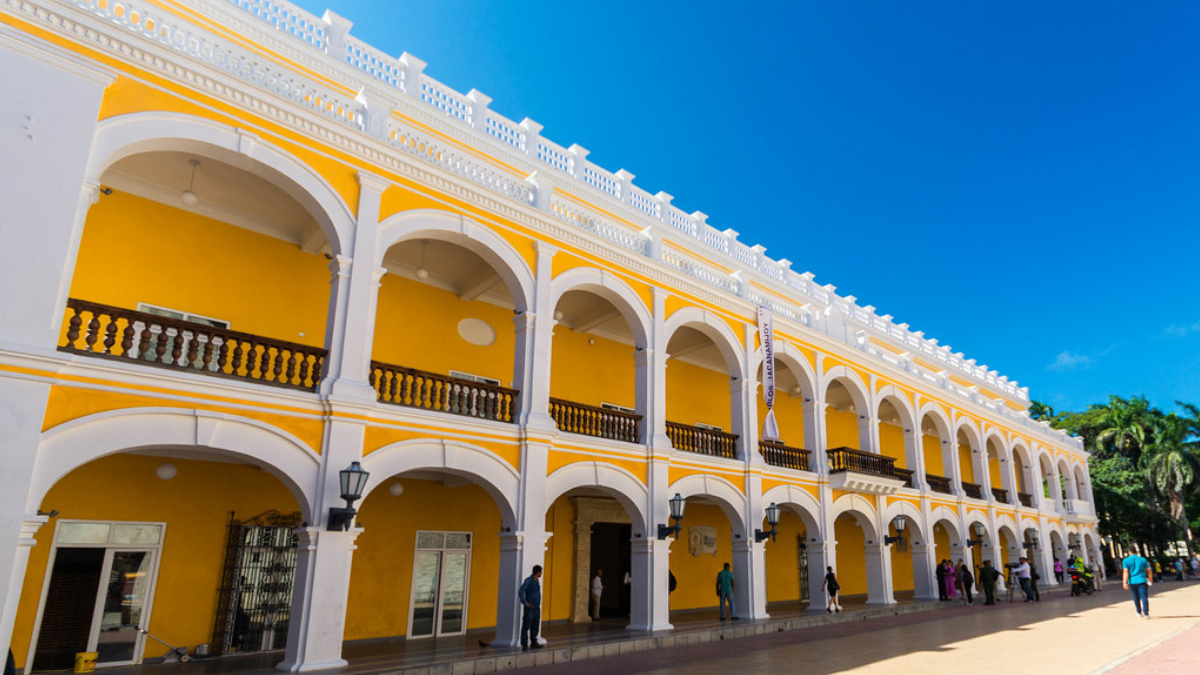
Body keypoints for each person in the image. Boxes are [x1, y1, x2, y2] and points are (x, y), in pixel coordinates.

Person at [518, 565, 544, 651]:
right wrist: (525, 603)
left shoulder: (537, 581)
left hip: (537, 608)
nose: (541, 574)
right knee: (526, 625)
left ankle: (534, 642)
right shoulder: (528, 581)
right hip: (530, 608)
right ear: (538, 572)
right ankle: (524, 644)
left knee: (535, 626)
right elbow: (521, 591)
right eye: (541, 572)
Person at [1122, 551, 1152, 618]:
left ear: (1129, 552)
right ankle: (1146, 613)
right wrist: (1150, 578)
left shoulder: (1126, 560)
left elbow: (1125, 571)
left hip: (1132, 581)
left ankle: (1138, 611)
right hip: (1142, 580)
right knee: (1144, 597)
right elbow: (1148, 570)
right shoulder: (1142, 559)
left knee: (1135, 597)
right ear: (1135, 551)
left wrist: (1125, 582)